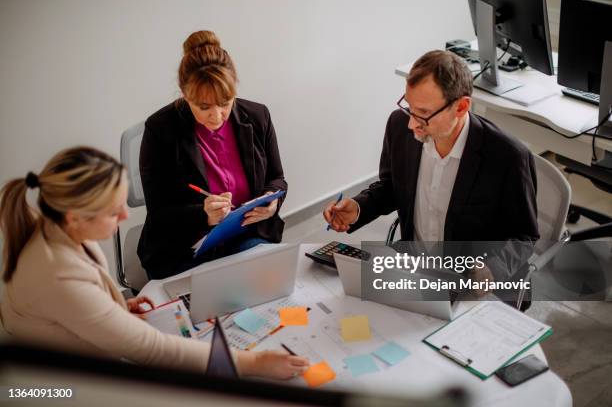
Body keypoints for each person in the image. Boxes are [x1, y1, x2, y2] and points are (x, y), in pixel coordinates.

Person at [0, 146, 307, 378]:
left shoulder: (57, 227)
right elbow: (151, 349)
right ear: (75, 217)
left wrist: (113, 307)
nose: (124, 218)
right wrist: (255, 363)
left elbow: (79, 297)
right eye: (113, 212)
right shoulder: (56, 276)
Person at [324, 50, 539, 283]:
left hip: (468, 279)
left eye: (424, 113)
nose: (412, 123)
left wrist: (491, 270)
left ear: (461, 107)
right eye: (409, 107)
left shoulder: (508, 156)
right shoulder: (399, 127)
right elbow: (391, 187)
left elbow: (524, 236)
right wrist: (358, 208)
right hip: (413, 266)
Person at [138, 30, 287, 279]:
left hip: (245, 237)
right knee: (207, 311)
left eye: (225, 102)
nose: (217, 117)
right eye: (204, 107)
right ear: (185, 95)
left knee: (267, 295)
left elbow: (277, 177)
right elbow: (159, 214)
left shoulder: (258, 116)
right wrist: (202, 215)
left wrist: (273, 200)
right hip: (184, 250)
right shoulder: (160, 130)